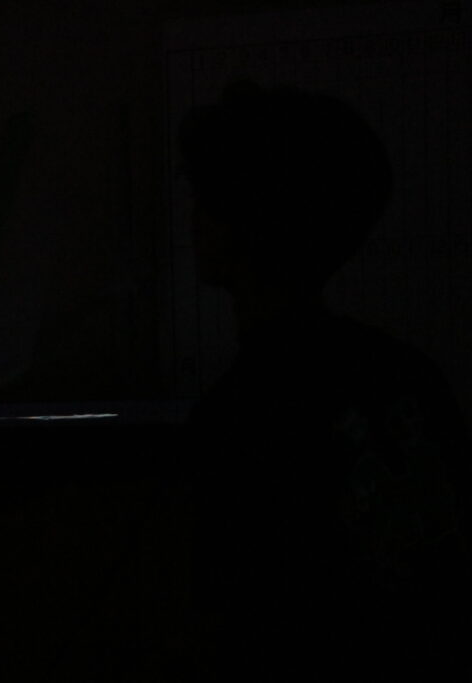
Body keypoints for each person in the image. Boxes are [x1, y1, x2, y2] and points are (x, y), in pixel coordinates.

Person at [178, 82, 472, 680]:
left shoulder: (237, 422)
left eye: (208, 198)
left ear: (245, 223)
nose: (192, 216)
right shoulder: (408, 375)